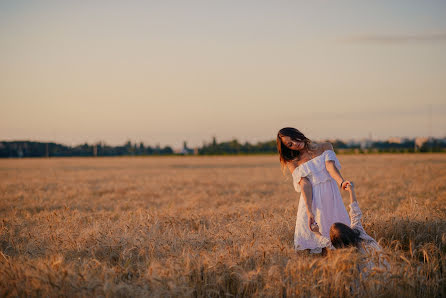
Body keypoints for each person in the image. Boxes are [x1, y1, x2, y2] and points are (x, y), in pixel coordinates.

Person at [276, 127, 351, 253]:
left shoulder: (325, 146)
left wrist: (341, 182)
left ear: (299, 134)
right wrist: (309, 211)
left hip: (331, 197)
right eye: (290, 144)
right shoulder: (293, 162)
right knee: (320, 242)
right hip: (312, 201)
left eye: (294, 138)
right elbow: (305, 184)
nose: (295, 143)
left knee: (340, 237)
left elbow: (330, 167)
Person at [311, 182, 389, 276]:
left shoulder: (340, 251)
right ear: (347, 229)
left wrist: (316, 232)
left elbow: (324, 241)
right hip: (385, 267)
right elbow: (355, 212)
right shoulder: (358, 231)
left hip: (366, 279)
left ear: (336, 242)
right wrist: (351, 191)